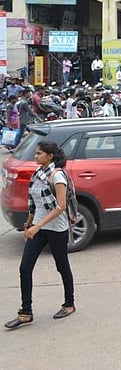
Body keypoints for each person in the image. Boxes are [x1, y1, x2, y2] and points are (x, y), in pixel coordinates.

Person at [4, 141, 76, 329]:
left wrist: (38, 226)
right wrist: (29, 222)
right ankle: (25, 312)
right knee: (25, 267)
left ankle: (69, 304)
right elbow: (35, 203)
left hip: (56, 229)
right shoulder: (37, 175)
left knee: (62, 266)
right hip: (38, 227)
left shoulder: (57, 176)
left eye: (39, 154)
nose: (35, 156)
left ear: (50, 156)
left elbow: (61, 206)